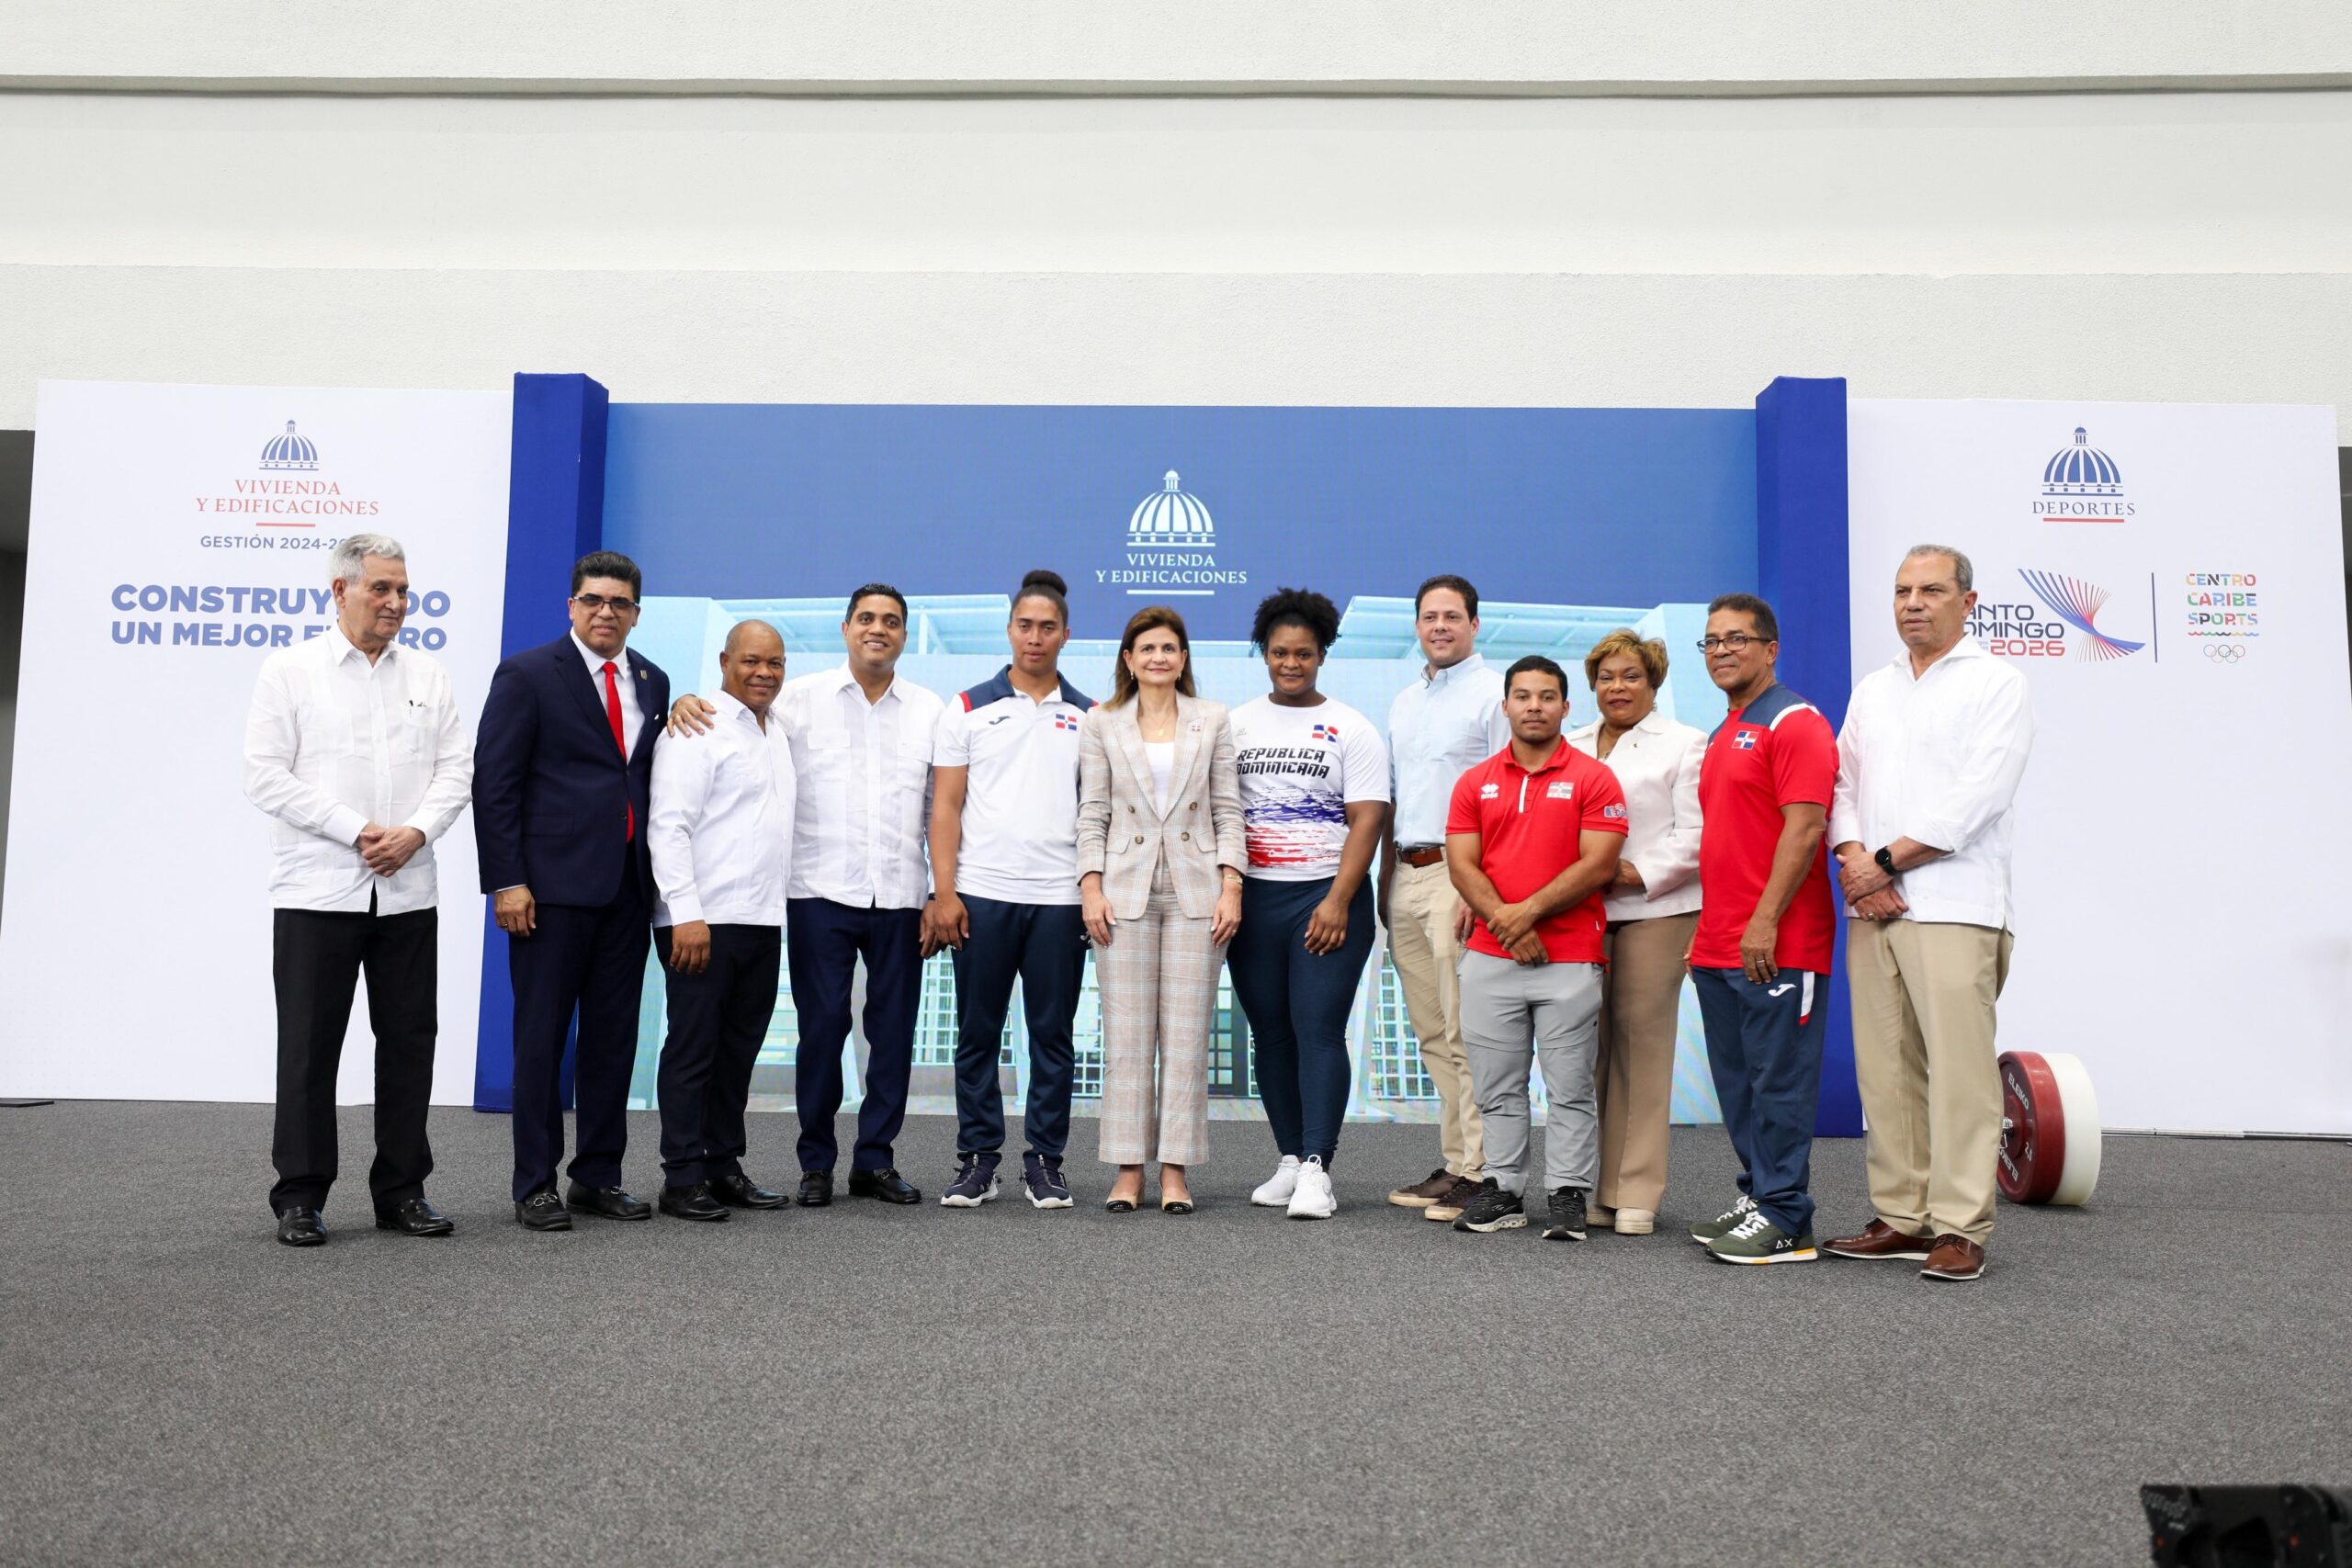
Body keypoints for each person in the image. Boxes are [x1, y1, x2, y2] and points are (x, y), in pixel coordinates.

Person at [672, 585, 939, 1208]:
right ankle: (815, 1162)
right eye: (866, 618)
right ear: (846, 628)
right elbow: (735, 711)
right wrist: (681, 703)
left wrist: (935, 891)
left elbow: (940, 807)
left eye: (891, 621)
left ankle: (875, 1160)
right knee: (821, 1031)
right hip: (818, 892)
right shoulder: (798, 699)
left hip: (901, 894)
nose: (878, 629)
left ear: (904, 634)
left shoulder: (929, 710)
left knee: (892, 1034)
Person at [242, 534, 472, 1247]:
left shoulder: (428, 673)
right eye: (382, 588)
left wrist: (416, 832)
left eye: (403, 590)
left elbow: (456, 770)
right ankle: (300, 1196)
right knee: (309, 1048)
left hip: (408, 890)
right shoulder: (289, 670)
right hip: (317, 892)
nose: (396, 602)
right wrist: (357, 829)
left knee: (409, 1043)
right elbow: (265, 775)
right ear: (340, 590)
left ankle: (402, 1190)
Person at [1826, 546, 2034, 1283]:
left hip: (1955, 904)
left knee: (1960, 1075)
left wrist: (1883, 863)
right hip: (1874, 908)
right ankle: (1902, 1216)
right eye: (1903, 590)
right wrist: (1858, 861)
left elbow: (1980, 796)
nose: (1913, 602)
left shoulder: (1997, 683)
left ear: (1968, 602)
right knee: (1886, 1071)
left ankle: (1960, 1226)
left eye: (1932, 590)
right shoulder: (1874, 688)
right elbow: (1840, 784)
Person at [474, 550, 671, 1231]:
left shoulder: (652, 679)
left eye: (619, 603)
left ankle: (597, 1176)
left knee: (613, 1041)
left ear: (636, 613)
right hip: (548, 891)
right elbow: (495, 784)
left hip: (627, 889)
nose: (605, 612)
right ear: (571, 606)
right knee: (540, 1040)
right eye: (593, 600)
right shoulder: (528, 673)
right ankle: (535, 1183)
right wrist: (507, 880)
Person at [1443, 656, 1628, 1241]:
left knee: (1569, 1085)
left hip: (1569, 957)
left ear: (1566, 707)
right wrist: (1509, 925)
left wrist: (1526, 914)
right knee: (1496, 1085)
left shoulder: (1595, 778)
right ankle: (1502, 1188)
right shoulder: (1474, 782)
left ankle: (1568, 1192)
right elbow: (1461, 864)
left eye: (1547, 697)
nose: (1534, 707)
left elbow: (1599, 863)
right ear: (1505, 706)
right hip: (1490, 958)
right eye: (1522, 696)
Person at [927, 570, 1095, 1210]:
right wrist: (945, 892)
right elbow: (946, 806)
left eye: (1047, 627)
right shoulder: (968, 707)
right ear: (1009, 630)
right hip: (981, 895)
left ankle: (1045, 1162)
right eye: (1025, 625)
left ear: (1065, 635)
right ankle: (978, 1159)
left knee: (1052, 1036)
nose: (1035, 637)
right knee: (977, 1033)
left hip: (1060, 899)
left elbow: (1098, 811)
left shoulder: (1091, 716)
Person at [1683, 593, 1838, 1266]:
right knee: (1739, 1083)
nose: (1721, 650)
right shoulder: (1724, 730)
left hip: (1778, 943)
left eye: (1736, 639)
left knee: (1778, 1083)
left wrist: (1764, 921)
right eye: (1711, 641)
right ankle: (1760, 1195)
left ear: (1770, 649)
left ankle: (1787, 1216)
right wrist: (1710, 932)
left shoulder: (1795, 722)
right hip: (1720, 942)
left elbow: (1805, 828)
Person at [1075, 607, 1246, 1213]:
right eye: (1146, 648)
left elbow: (1228, 808)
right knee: (1127, 1037)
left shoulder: (1212, 718)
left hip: (1199, 892)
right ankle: (1128, 1171)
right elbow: (1093, 811)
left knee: (1186, 1036)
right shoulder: (1102, 721)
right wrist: (1090, 886)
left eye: (1169, 648)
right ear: (1128, 658)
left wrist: (1232, 885)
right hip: (1123, 892)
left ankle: (1175, 1170)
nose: (1158, 657)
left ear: (1183, 658)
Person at [1227, 588, 1389, 1221]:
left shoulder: (1352, 727)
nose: (1290, 663)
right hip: (1254, 900)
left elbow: (1369, 818)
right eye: (1279, 653)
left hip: (1326, 896)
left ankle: (1319, 1168)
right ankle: (1291, 1159)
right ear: (1264, 654)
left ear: (1322, 655)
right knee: (1270, 1033)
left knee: (1318, 1028)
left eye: (1303, 653)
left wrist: (1338, 899)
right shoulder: (1236, 724)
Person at [646, 621, 797, 1222]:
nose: (764, 672)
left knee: (738, 1051)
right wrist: (685, 913)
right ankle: (682, 1176)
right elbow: (668, 826)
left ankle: (722, 1164)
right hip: (700, 921)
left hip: (761, 918)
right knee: (693, 1049)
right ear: (725, 661)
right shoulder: (696, 728)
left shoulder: (777, 730)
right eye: (751, 660)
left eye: (775, 663)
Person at [1564, 629, 1705, 1236]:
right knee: (1585, 1051)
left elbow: (1696, 834)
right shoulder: (1569, 744)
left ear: (1653, 683)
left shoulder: (1684, 742)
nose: (1617, 687)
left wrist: (1627, 871)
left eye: (1631, 677)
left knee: (1640, 1047)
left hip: (1654, 908)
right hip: (1578, 912)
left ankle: (1636, 1191)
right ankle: (1595, 1186)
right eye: (1606, 677)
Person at [1380, 573, 1509, 1224]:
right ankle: (1457, 1161)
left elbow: (1506, 795)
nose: (1439, 626)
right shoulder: (1405, 701)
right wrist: (1385, 884)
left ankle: (1483, 1171)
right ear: (1417, 625)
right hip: (1407, 873)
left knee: (1465, 1031)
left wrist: (1479, 887)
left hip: (1461, 877)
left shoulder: (1495, 696)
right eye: (1429, 616)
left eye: (1452, 616)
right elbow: (1396, 799)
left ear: (1474, 624)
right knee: (1431, 1030)